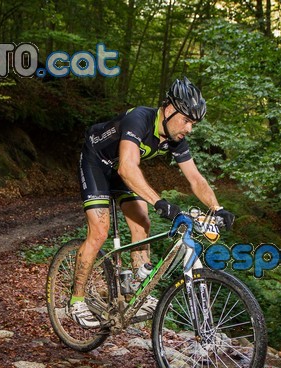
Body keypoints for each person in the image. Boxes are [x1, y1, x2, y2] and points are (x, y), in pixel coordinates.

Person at [70, 76, 235, 328]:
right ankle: (76, 301)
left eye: (193, 124)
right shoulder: (140, 119)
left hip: (121, 168)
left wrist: (217, 207)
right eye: (186, 120)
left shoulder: (176, 138)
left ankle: (137, 286)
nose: (189, 128)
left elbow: (195, 178)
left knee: (142, 223)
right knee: (100, 232)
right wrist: (161, 202)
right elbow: (127, 167)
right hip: (97, 161)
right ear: (169, 109)